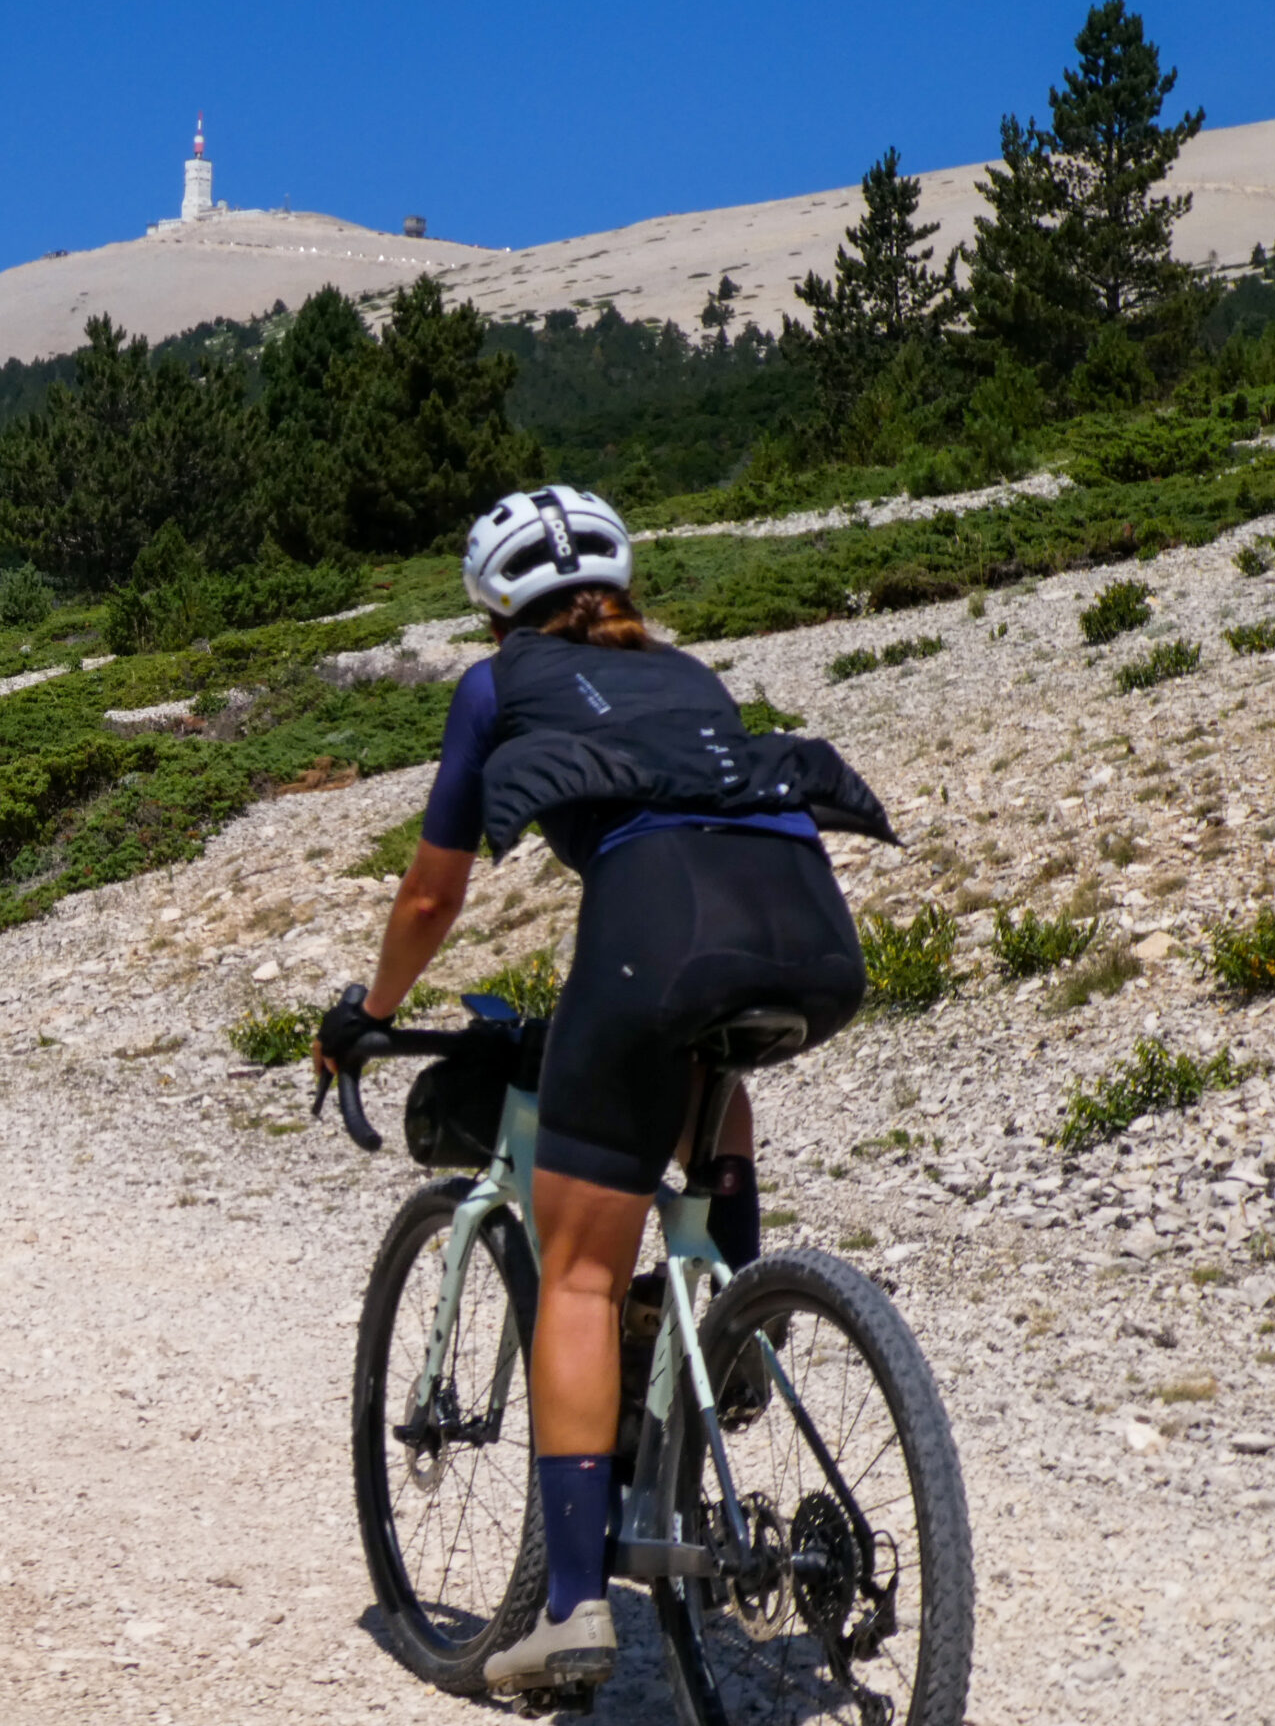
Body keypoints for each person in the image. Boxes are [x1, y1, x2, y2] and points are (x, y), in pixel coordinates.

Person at [314, 485, 893, 1695]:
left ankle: (573, 1606)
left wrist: (367, 1016)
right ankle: (724, 1311)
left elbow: (431, 895)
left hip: (658, 929)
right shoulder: (688, 673)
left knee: (575, 1271)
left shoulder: (495, 684)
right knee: (706, 1065)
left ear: (494, 608)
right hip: (809, 936)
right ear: (623, 590)